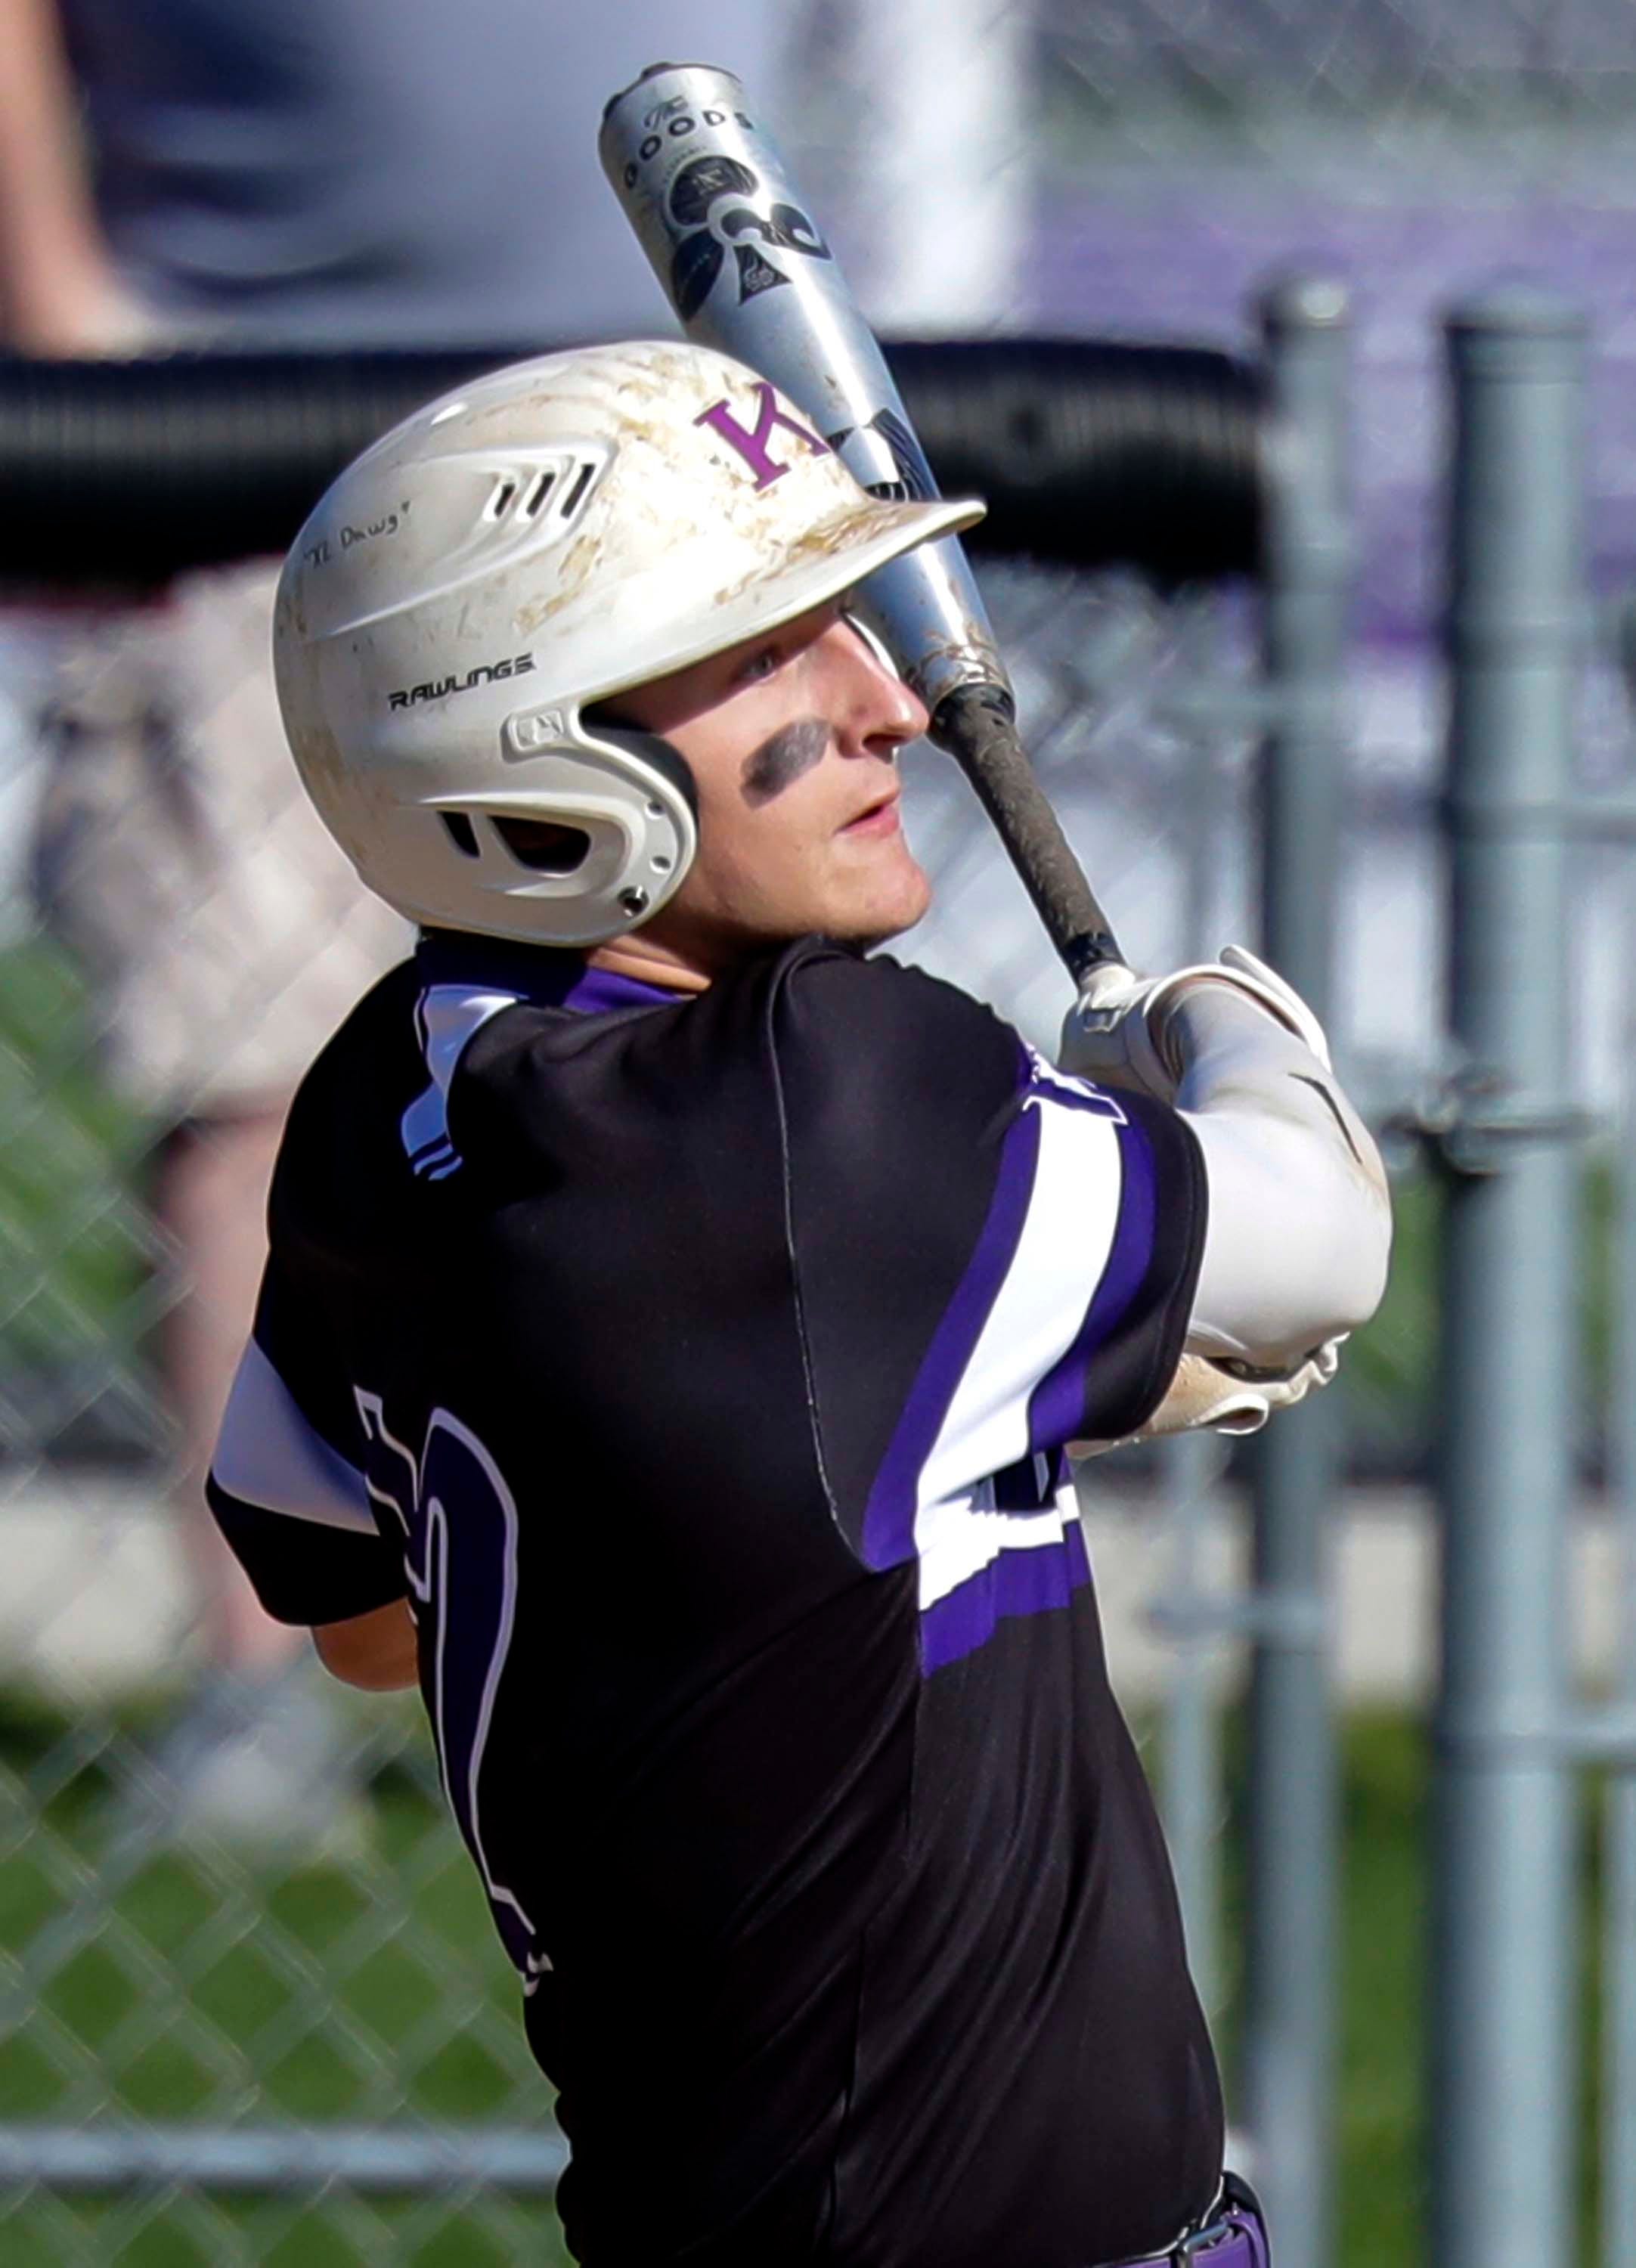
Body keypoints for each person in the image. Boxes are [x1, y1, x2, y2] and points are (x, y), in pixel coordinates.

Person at [206, 340, 1390, 2266]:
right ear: (529, 751)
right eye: (769, 647)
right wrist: (1202, 1026)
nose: (892, 704)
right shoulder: (820, 1105)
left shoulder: (379, 1102)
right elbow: (1323, 1234)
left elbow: (350, 1613)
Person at [0, 0, 788, 1844]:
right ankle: (264, 1695)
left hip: (647, 443)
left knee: (682, 1059)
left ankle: (684, 1644)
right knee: (256, 1085)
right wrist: (59, 325)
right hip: (242, 432)